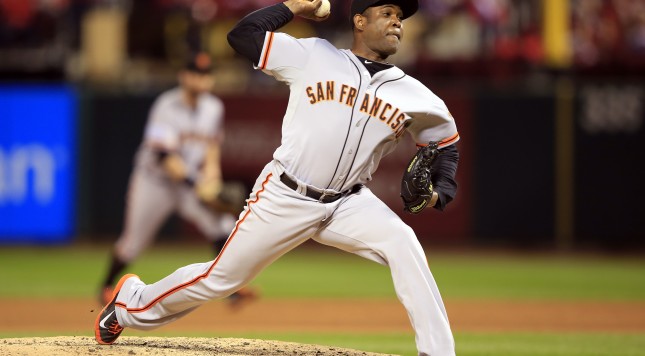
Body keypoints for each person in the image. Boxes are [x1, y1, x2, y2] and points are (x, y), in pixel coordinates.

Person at [95, 1, 460, 355]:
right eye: (387, 13)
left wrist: (436, 196)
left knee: (403, 244)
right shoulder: (314, 55)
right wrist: (295, 7)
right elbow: (242, 35)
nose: (397, 21)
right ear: (360, 21)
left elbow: (446, 144)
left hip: (349, 202)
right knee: (221, 278)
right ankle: (130, 303)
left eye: (400, 16)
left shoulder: (415, 95)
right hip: (286, 194)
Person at [98, 51, 256, 308]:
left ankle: (231, 289)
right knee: (133, 243)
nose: (200, 80)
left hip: (190, 184)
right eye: (195, 74)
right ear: (184, 76)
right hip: (154, 183)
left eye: (205, 75)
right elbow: (165, 157)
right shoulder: (166, 105)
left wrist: (212, 178)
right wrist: (199, 185)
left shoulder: (214, 108)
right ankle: (105, 286)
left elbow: (212, 149)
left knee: (222, 226)